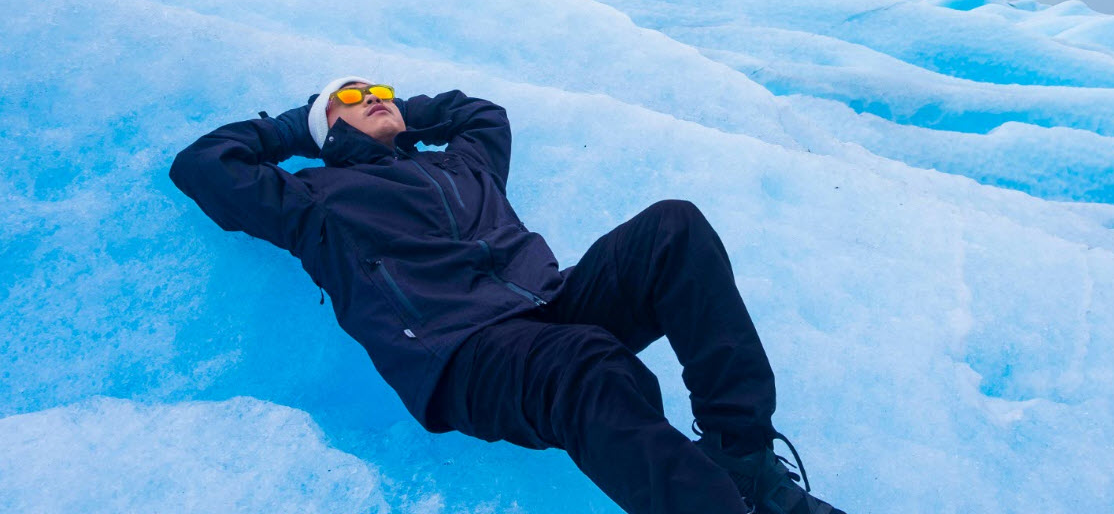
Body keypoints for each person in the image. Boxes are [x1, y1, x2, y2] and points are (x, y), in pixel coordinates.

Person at [170, 77, 846, 514]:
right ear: (327, 130)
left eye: (378, 87)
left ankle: (744, 460)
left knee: (675, 229)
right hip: (462, 354)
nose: (371, 95)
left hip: (547, 307)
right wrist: (297, 128)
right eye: (348, 98)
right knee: (585, 363)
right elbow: (203, 166)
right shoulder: (313, 201)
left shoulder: (462, 164)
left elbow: (481, 115)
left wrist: (402, 117)